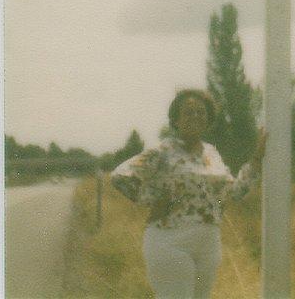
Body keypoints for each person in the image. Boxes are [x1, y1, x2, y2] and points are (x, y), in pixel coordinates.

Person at [111, 89, 265, 298]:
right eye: (188, 112)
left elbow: (233, 193)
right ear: (176, 119)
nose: (195, 116)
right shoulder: (163, 151)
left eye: (201, 112)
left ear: (208, 119)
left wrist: (256, 160)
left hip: (208, 242)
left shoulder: (211, 154)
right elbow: (120, 176)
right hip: (170, 240)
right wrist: (153, 199)